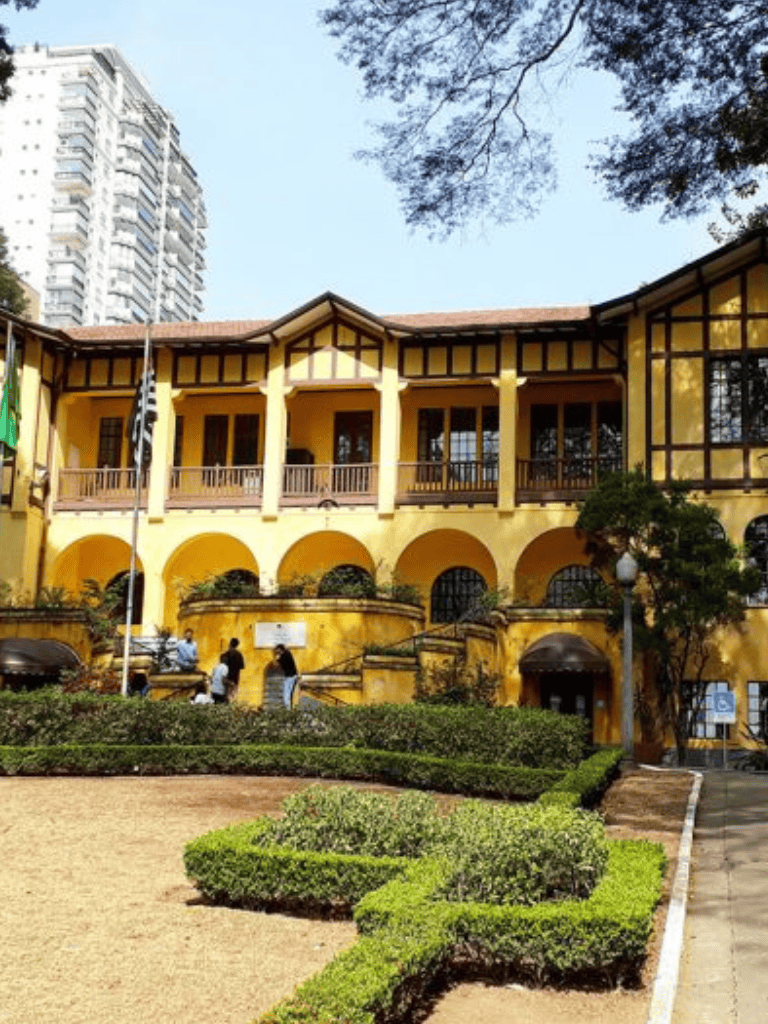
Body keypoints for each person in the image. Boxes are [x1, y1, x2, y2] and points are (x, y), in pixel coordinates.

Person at [274, 643, 299, 709]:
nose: (276, 652)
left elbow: (282, 664)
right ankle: (288, 708)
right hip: (293, 676)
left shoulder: (284, 656)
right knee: (289, 694)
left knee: (286, 694)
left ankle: (287, 709)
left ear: (280, 649)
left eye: (277, 651)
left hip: (290, 677)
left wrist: (278, 659)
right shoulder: (288, 654)